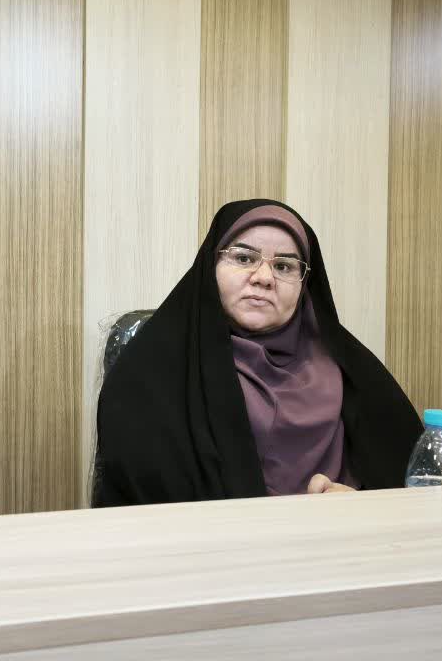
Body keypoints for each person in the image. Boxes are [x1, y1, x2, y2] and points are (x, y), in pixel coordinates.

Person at [93, 199, 422, 506]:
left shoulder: (350, 368)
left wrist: (360, 502)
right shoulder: (151, 372)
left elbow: (408, 481)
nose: (264, 278)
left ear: (305, 283)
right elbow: (148, 498)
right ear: (211, 266)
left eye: (284, 266)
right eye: (244, 258)